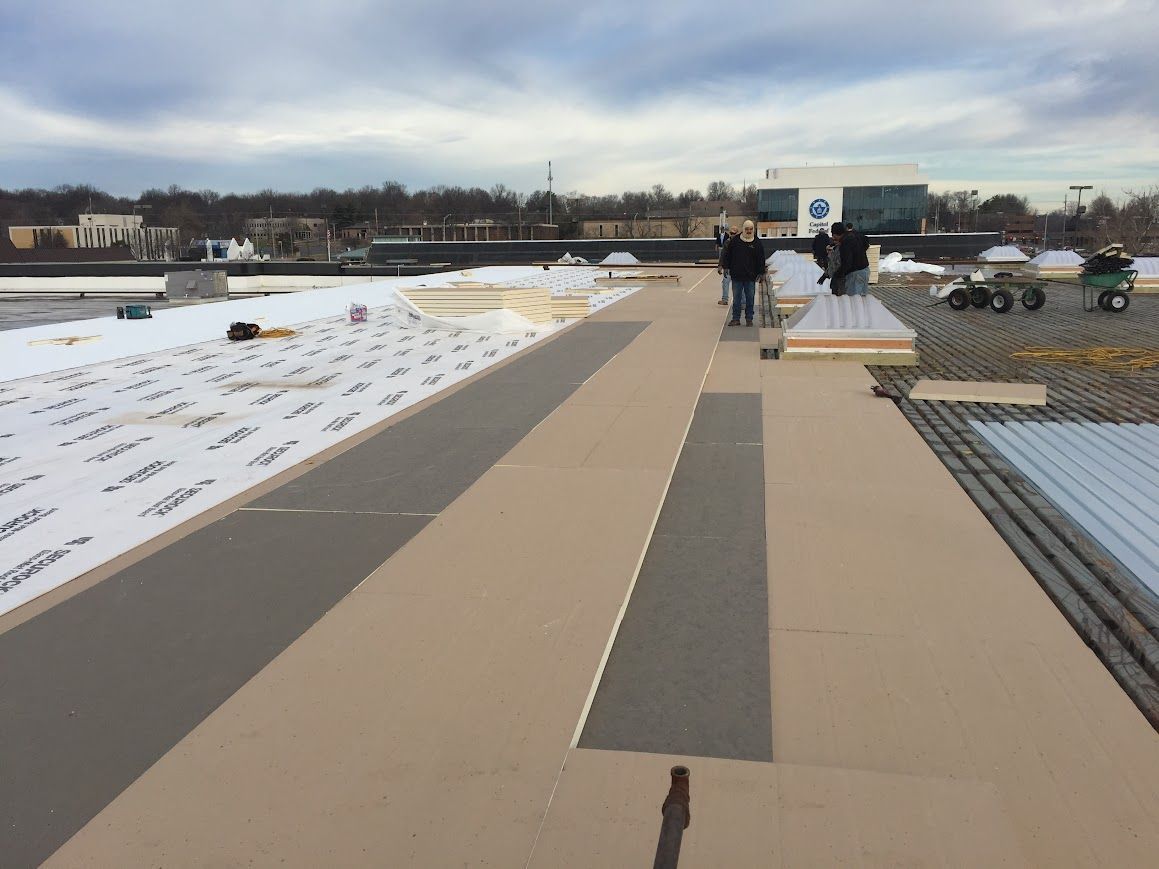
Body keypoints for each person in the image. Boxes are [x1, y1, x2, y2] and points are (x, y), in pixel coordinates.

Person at [718, 220, 765, 325]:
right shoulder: (735, 241)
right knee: (737, 299)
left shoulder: (757, 243)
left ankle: (749, 319)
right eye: (747, 229)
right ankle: (736, 319)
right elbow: (728, 255)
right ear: (743, 229)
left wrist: (761, 273)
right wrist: (726, 267)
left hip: (750, 277)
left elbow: (761, 259)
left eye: (751, 229)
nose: (749, 231)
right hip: (737, 276)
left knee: (750, 299)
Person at [831, 221, 869, 296]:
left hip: (855, 274)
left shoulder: (845, 242)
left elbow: (847, 263)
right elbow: (866, 243)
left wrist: (837, 275)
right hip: (865, 270)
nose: (833, 237)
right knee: (862, 300)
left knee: (853, 301)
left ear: (836, 234)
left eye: (833, 235)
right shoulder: (855, 235)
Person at [716, 224, 738, 306]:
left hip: (737, 267)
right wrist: (720, 266)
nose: (732, 235)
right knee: (725, 283)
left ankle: (740, 301)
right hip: (728, 267)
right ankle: (725, 299)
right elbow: (723, 254)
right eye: (731, 233)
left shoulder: (740, 243)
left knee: (737, 285)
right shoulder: (727, 242)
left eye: (734, 234)